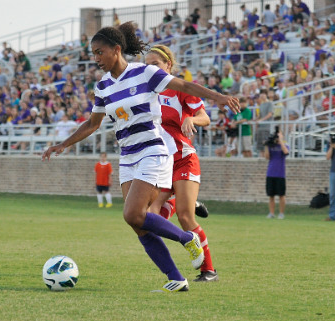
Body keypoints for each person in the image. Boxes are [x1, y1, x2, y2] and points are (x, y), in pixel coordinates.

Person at [42, 22, 239, 292]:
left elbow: (183, 84)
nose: (96, 59)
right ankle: (177, 279)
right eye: (93, 54)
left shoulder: (146, 73)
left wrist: (219, 97)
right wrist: (61, 145)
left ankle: (187, 239)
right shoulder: (102, 87)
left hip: (153, 150)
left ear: (116, 49)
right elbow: (92, 124)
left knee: (132, 213)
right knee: (138, 223)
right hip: (127, 156)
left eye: (100, 52)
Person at [144, 44, 217, 282]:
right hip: (161, 163)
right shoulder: (146, 92)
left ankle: (208, 271)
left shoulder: (180, 89)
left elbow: (205, 117)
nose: (150, 68)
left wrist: (191, 118)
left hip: (183, 159)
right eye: (146, 65)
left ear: (168, 65)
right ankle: (185, 200)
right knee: (150, 218)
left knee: (185, 217)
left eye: (155, 64)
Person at [263, 128, 289, 219]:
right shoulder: (271, 146)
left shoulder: (285, 145)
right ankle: (271, 213)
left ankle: (281, 213)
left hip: (280, 174)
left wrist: (280, 141)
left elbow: (286, 152)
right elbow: (267, 157)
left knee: (281, 195)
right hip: (270, 173)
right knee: (271, 195)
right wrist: (266, 145)